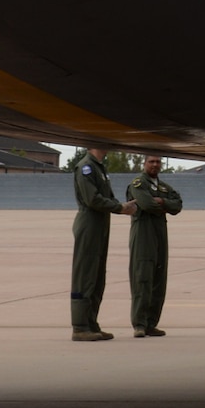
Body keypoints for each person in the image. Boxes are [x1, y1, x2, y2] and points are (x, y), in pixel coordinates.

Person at [69, 144, 135, 340]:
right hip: (89, 223)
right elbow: (93, 199)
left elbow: (107, 196)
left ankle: (91, 323)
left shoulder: (99, 167)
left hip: (100, 224)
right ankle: (80, 327)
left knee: (97, 275)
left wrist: (122, 206)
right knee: (85, 274)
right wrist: (119, 208)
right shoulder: (86, 167)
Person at [126, 155, 183, 337]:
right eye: (151, 161)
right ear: (144, 164)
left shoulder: (163, 187)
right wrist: (163, 205)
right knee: (142, 278)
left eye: (158, 162)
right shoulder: (138, 184)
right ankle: (139, 324)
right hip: (143, 234)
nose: (155, 165)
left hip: (160, 234)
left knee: (158, 278)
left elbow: (178, 205)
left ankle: (151, 323)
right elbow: (147, 204)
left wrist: (164, 202)